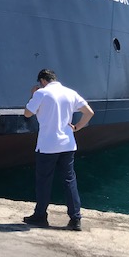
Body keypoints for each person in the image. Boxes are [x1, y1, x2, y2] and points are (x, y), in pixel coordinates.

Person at [22, 69, 95, 231]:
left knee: (44, 181)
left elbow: (27, 114)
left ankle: (40, 216)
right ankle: (75, 219)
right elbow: (89, 112)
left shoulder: (41, 93)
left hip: (47, 145)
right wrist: (77, 127)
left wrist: (33, 95)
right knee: (69, 180)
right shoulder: (70, 93)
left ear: (42, 81)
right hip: (68, 144)